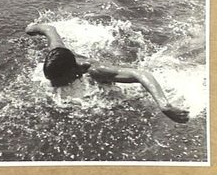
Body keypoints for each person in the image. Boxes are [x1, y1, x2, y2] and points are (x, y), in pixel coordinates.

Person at [25, 23, 189, 124]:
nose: (53, 85)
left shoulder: (97, 71)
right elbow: (49, 28)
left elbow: (141, 74)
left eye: (57, 80)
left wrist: (164, 105)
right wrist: (31, 29)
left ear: (74, 71)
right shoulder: (57, 51)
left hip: (110, 78)